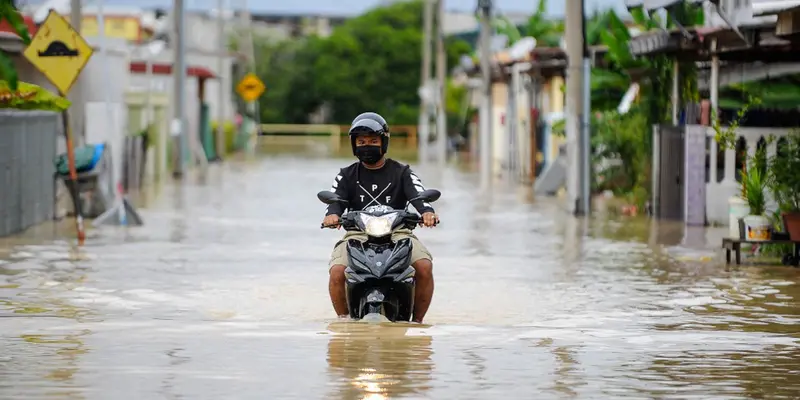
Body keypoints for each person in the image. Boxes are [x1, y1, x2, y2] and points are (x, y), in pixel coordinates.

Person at [322, 112, 438, 323]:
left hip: (398, 233)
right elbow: (335, 202)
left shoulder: (402, 172)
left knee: (424, 266)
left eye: (373, 141)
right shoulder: (346, 174)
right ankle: (344, 320)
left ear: (384, 142)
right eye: (362, 141)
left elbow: (419, 196)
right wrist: (332, 216)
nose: (367, 146)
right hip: (357, 234)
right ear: (354, 144)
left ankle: (417, 322)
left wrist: (427, 213)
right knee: (337, 271)